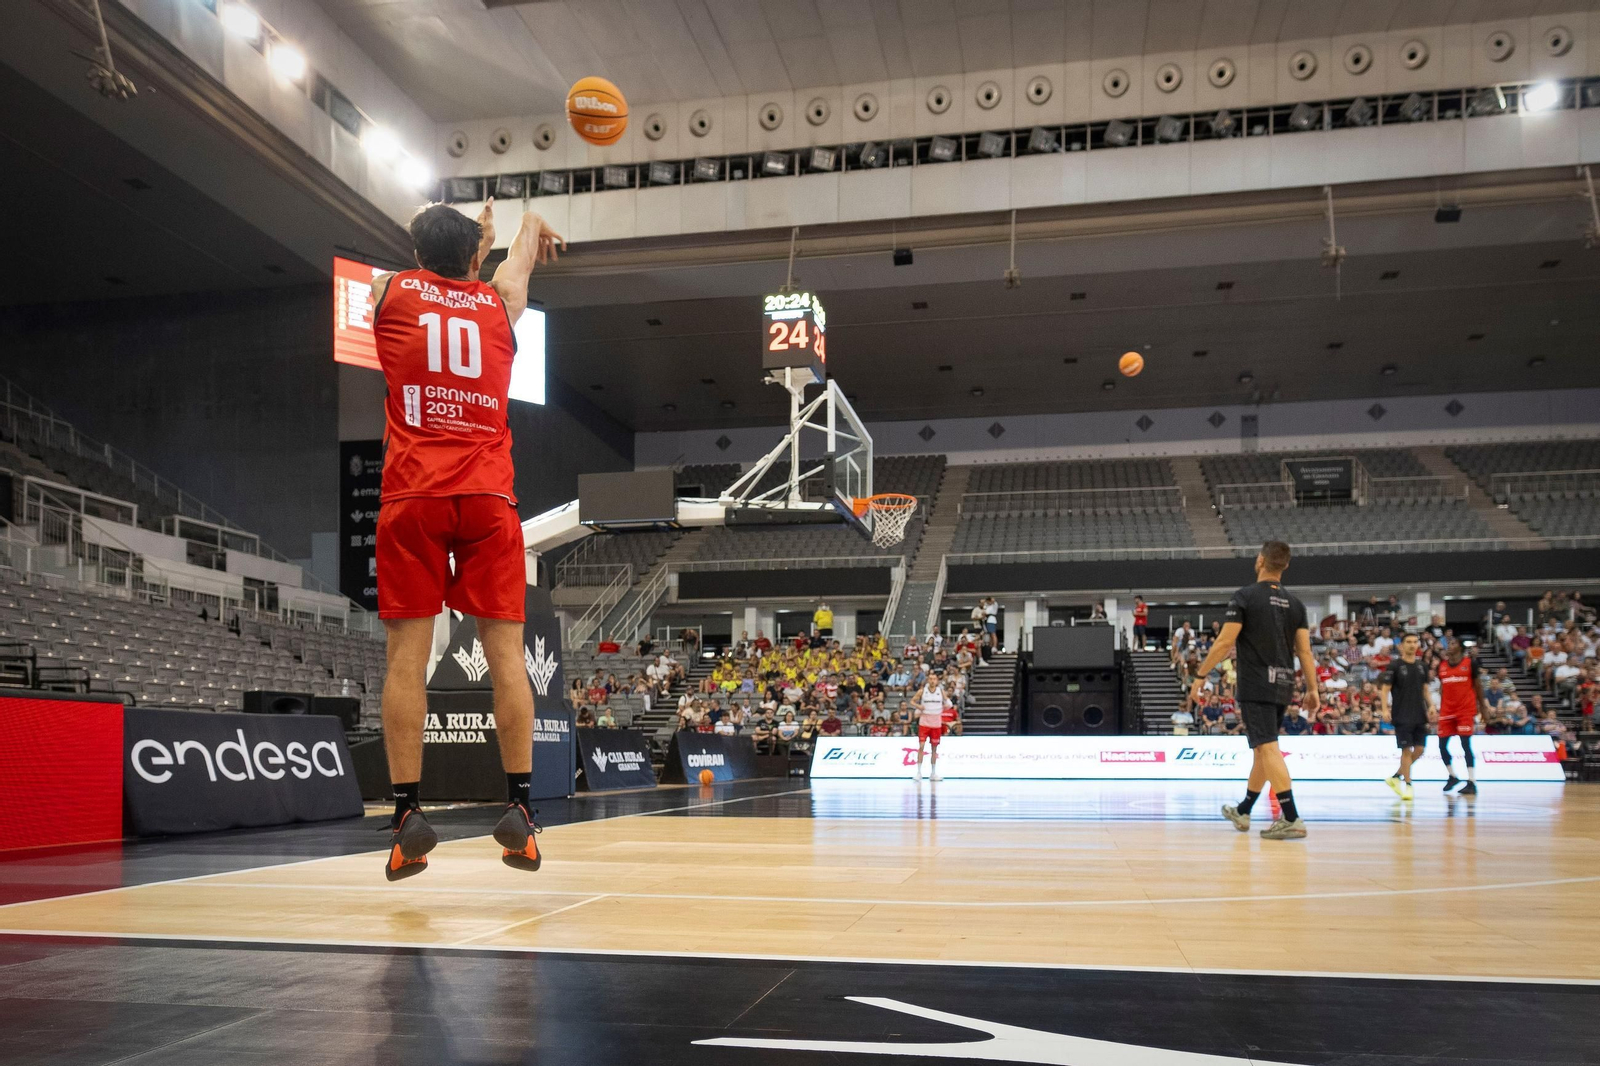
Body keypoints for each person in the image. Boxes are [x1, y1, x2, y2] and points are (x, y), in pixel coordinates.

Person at [370, 199, 563, 881]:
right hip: (487, 496)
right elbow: (517, 264)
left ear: (419, 254)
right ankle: (520, 812)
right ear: (477, 263)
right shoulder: (497, 301)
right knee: (505, 653)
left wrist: (468, 239)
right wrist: (526, 228)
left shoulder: (390, 289)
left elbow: (440, 264)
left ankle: (406, 815)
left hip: (413, 495)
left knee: (407, 658)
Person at [1188, 540, 1320, 840]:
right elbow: (1305, 652)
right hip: (1285, 683)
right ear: (1285, 566)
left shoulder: (1245, 596)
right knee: (1262, 748)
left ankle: (1292, 817)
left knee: (1268, 747)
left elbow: (1224, 643)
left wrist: (1199, 676)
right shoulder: (1296, 604)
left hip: (1257, 683)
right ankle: (1244, 809)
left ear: (1260, 560)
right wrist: (1313, 689)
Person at [1379, 632, 1429, 800]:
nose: (1412, 644)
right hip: (1402, 714)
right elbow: (1385, 689)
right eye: (1408, 642)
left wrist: (1432, 706)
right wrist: (1385, 709)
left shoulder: (1422, 666)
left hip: (1420, 714)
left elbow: (1425, 689)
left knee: (1420, 750)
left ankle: (1395, 777)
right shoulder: (1394, 665)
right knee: (1406, 751)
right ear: (1401, 645)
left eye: (1415, 641)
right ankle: (1408, 785)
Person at [1436, 637, 1488, 795]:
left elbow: (1478, 686)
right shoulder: (1442, 666)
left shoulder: (1470, 663)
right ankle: (1452, 776)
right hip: (1447, 710)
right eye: (1448, 643)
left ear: (1460, 647)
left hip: (1465, 709)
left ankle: (1471, 781)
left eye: (1452, 643)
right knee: (1441, 746)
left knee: (1465, 745)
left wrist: (1483, 707)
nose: (1449, 646)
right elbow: (1442, 688)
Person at [914, 676, 948, 782]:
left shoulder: (941, 691)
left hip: (936, 723)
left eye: (934, 679)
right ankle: (919, 773)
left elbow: (948, 704)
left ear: (937, 681)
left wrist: (939, 710)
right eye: (930, 679)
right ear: (928, 680)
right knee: (921, 746)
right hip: (924, 722)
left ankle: (933, 773)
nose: (932, 681)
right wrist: (919, 707)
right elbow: (912, 701)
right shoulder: (922, 691)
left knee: (934, 749)